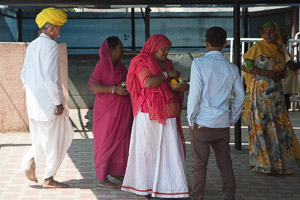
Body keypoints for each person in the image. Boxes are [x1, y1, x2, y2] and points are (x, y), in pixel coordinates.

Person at [121, 34, 189, 200]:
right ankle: (142, 188)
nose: (166, 52)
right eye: (163, 49)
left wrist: (177, 84)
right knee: (146, 151)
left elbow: (169, 84)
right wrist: (168, 75)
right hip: (148, 113)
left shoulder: (168, 64)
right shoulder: (141, 61)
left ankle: (169, 186)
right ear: (153, 48)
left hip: (169, 111)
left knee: (169, 149)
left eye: (168, 49)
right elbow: (148, 83)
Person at [187, 27, 245, 200]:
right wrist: (231, 118)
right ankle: (229, 197)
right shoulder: (232, 68)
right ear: (225, 44)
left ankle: (197, 197)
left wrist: (191, 120)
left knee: (199, 166)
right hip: (222, 124)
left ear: (206, 43)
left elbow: (194, 95)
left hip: (202, 124)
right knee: (225, 164)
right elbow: (240, 97)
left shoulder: (198, 64)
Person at [20, 7, 74, 188]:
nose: (60, 32)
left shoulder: (33, 45)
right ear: (50, 28)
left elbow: (24, 74)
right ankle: (48, 178)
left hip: (34, 105)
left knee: (41, 140)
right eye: (58, 28)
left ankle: (28, 161)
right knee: (57, 141)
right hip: (49, 105)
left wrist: (31, 96)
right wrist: (58, 103)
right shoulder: (51, 46)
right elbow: (51, 79)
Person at [242, 21, 300, 175]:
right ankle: (264, 163)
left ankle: (280, 164)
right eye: (265, 32)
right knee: (263, 127)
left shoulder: (281, 50)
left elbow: (285, 70)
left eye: (271, 32)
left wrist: (280, 75)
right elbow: (245, 66)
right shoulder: (257, 47)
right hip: (260, 97)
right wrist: (267, 74)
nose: (268, 35)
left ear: (277, 34)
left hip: (277, 96)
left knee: (279, 128)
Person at [88, 36, 133, 189]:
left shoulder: (120, 66)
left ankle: (116, 170)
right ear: (112, 51)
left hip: (121, 110)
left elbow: (125, 81)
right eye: (120, 47)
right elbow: (92, 86)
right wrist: (114, 89)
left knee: (121, 141)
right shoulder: (102, 66)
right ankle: (102, 178)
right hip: (106, 111)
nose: (123, 50)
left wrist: (124, 86)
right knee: (104, 142)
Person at [280, 28, 300, 112]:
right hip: (284, 85)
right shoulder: (281, 49)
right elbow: (291, 65)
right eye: (285, 36)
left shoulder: (282, 48)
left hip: (285, 84)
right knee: (284, 109)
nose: (287, 38)